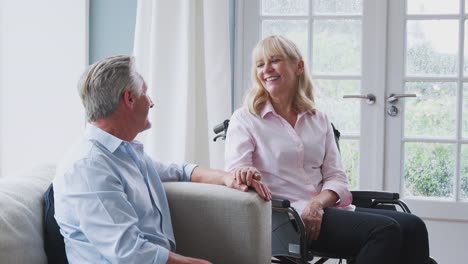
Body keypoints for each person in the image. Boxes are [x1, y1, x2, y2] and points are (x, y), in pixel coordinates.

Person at [225, 35, 432, 264]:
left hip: (323, 211)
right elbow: (237, 172)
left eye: (274, 60)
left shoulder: (317, 119)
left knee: (413, 226)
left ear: (298, 67)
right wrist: (244, 173)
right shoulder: (245, 119)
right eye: (260, 64)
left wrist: (317, 203)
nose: (266, 69)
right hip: (285, 219)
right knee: (384, 231)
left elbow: (336, 177)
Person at [53, 55, 271, 264]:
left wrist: (227, 178)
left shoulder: (123, 153)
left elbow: (179, 171)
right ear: (129, 98)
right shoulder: (89, 166)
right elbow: (129, 253)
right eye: (145, 94)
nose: (151, 103)